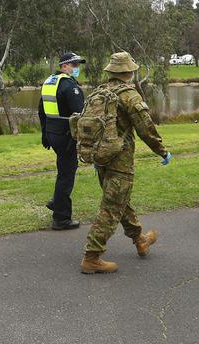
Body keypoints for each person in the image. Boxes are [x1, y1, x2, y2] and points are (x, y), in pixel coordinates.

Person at [80, 52, 171, 274]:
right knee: (111, 207)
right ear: (129, 73)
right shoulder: (129, 95)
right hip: (120, 160)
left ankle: (140, 239)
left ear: (111, 72)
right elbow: (146, 128)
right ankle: (92, 256)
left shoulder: (99, 92)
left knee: (120, 201)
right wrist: (162, 151)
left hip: (101, 158)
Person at [38, 52, 86, 230]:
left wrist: (45, 134)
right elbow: (81, 115)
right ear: (64, 66)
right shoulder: (69, 86)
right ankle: (61, 218)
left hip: (53, 133)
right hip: (67, 136)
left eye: (77, 65)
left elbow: (41, 111)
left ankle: (56, 201)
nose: (76, 68)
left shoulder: (50, 82)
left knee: (63, 170)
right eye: (74, 65)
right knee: (67, 175)